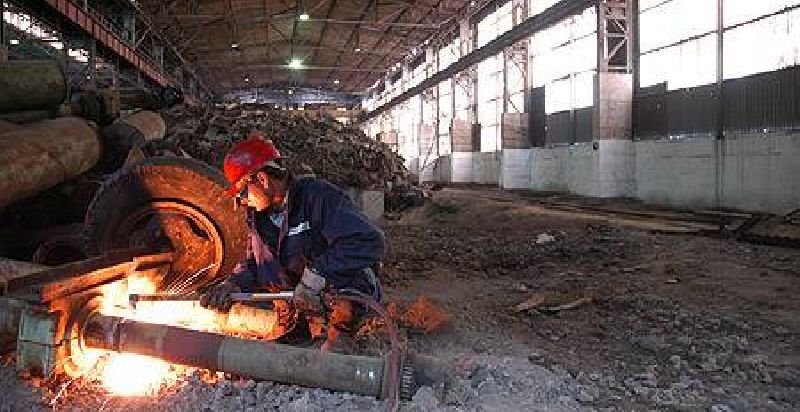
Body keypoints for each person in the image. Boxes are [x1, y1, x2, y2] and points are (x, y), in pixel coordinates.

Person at [200, 132, 385, 351]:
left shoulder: (318, 198)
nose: (242, 201)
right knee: (280, 354)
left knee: (334, 358)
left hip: (339, 302)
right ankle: (300, 327)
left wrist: (318, 275)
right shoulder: (258, 217)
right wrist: (233, 283)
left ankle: (344, 332)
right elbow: (253, 263)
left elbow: (369, 240)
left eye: (242, 193)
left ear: (262, 179)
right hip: (298, 307)